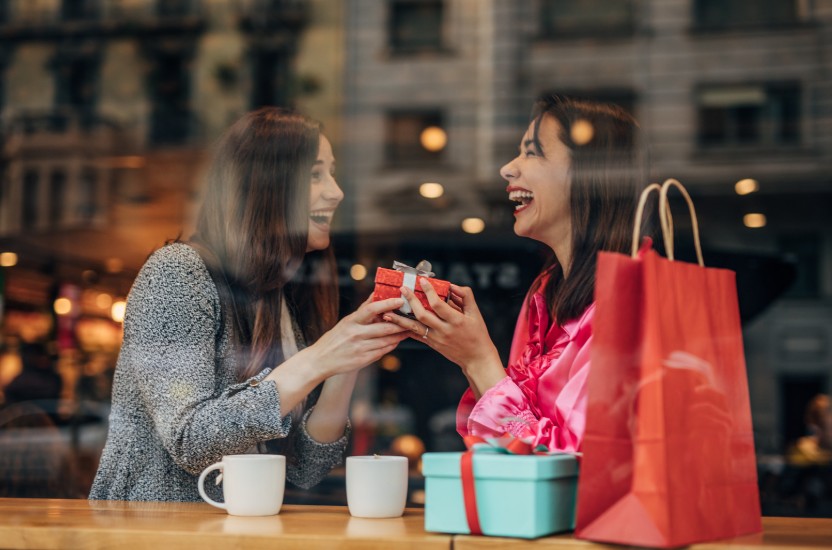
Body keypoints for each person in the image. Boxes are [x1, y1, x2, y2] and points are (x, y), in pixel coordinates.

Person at [90, 107, 408, 501]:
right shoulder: (177, 273)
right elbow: (191, 441)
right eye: (314, 175)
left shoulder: (281, 293)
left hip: (239, 532)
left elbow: (306, 468)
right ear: (262, 185)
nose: (336, 191)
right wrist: (320, 358)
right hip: (156, 531)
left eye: (332, 172)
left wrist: (349, 360)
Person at [385, 95, 644, 453]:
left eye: (533, 152)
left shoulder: (634, 295)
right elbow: (516, 437)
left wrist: (478, 358)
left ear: (589, 173)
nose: (508, 168)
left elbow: (574, 464)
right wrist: (469, 355)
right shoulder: (548, 289)